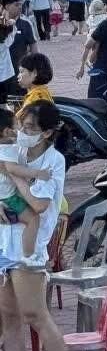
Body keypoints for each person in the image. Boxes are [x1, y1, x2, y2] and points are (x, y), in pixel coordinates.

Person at [0, 101, 77, 351]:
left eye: (30, 128)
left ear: (46, 133)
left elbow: (38, 205)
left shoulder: (53, 161)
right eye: (21, 125)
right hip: (4, 246)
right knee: (9, 317)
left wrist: (15, 181)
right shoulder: (14, 152)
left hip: (29, 251)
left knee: (35, 314)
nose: (23, 132)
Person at [0, 106, 45, 258]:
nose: (20, 130)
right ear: (8, 132)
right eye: (18, 126)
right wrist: (35, 174)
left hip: (6, 195)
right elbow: (13, 169)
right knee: (33, 219)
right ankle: (29, 254)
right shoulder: (8, 150)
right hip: (9, 198)